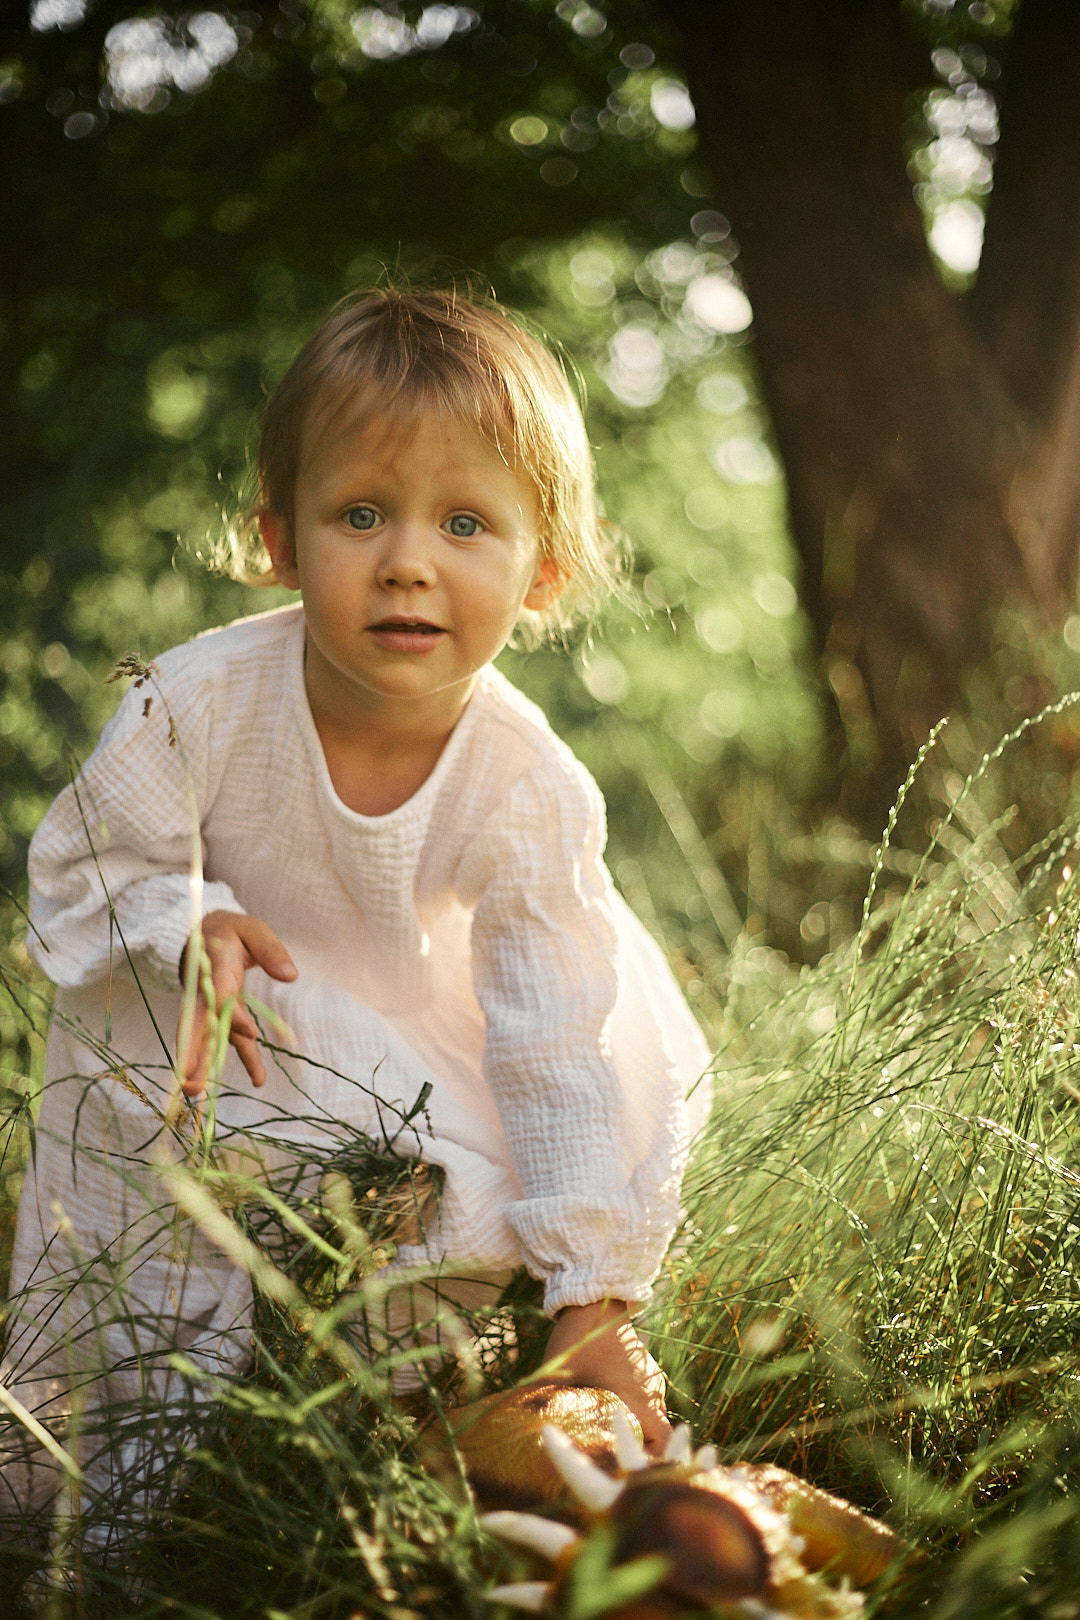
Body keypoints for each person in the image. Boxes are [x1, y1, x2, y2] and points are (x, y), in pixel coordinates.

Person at [2, 288, 711, 1549]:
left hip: (397, 1028)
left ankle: (362, 1427)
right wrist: (190, 918)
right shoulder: (199, 700)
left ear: (543, 570)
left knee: (486, 1169)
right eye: (362, 513)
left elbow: (551, 1035)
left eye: (466, 522)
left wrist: (593, 1300)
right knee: (133, 1149)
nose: (408, 561)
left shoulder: (527, 780)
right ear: (279, 537)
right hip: (214, 1018)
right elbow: (82, 867)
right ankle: (123, 1453)